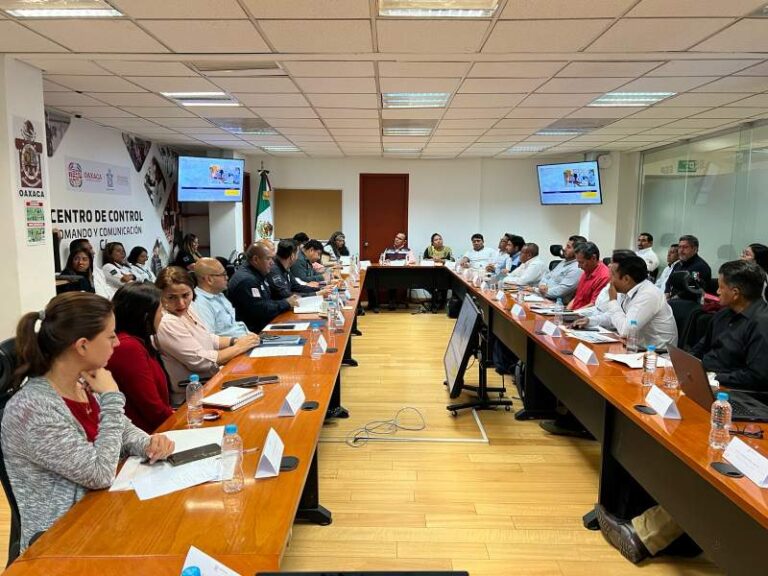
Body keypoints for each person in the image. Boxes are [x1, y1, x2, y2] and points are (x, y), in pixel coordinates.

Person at [2, 292, 175, 551]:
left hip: (104, 514)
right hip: (64, 540)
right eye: (110, 336)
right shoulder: (33, 409)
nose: (117, 342)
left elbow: (122, 430)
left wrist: (148, 442)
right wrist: (112, 397)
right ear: (82, 346)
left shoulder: (82, 382)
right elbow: (99, 474)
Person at [155, 266, 260, 404]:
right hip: (194, 395)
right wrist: (239, 347)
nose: (181, 303)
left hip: (213, 381)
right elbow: (201, 362)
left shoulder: (188, 309)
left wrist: (235, 341)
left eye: (186, 295)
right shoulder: (167, 321)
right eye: (171, 297)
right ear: (160, 296)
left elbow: (208, 338)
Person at [690, 259, 768, 391]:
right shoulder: (723, 314)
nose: (717, 291)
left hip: (735, 390)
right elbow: (701, 348)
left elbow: (757, 376)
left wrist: (714, 378)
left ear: (735, 293)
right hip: (705, 380)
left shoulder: (762, 324)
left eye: (721, 287)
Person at [107, 283, 173, 433]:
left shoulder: (137, 342)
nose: (162, 315)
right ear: (146, 316)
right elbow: (153, 408)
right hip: (148, 435)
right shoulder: (128, 348)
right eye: (160, 310)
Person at [573, 254, 677, 350]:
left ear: (626, 279)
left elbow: (626, 331)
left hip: (656, 354)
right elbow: (615, 317)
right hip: (634, 346)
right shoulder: (627, 289)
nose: (609, 279)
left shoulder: (649, 294)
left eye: (613, 275)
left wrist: (613, 300)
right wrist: (590, 321)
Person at [228, 242, 301, 333]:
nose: (272, 263)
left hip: (264, 325)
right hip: (254, 332)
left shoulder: (258, 273)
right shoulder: (247, 280)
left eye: (272, 258)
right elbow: (261, 310)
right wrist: (286, 303)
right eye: (268, 259)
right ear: (255, 259)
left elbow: (267, 302)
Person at [191, 257, 251, 339]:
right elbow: (209, 339)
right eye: (223, 274)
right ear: (209, 279)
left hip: (245, 339)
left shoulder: (219, 295)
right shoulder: (200, 304)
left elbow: (233, 326)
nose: (227, 277)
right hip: (235, 344)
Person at [369, 232, 416, 312]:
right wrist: (385, 262)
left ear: (404, 242)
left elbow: (413, 261)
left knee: (393, 279)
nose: (396, 239)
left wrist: (403, 262)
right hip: (388, 274)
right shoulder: (388, 250)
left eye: (400, 238)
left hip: (402, 275)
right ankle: (376, 304)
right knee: (373, 279)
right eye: (396, 237)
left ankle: (392, 301)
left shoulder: (408, 251)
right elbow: (381, 261)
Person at [538, 235, 585, 304]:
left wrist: (538, 290)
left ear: (577, 251)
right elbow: (547, 276)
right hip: (544, 297)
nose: (564, 249)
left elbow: (559, 292)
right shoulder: (564, 262)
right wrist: (542, 285)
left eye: (568, 247)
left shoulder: (577, 268)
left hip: (556, 303)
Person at [568, 241, 611, 310]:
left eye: (581, 262)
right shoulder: (587, 270)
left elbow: (594, 305)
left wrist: (572, 314)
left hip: (584, 315)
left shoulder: (604, 277)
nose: (579, 266)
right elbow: (577, 297)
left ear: (593, 258)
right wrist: (566, 312)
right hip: (574, 313)